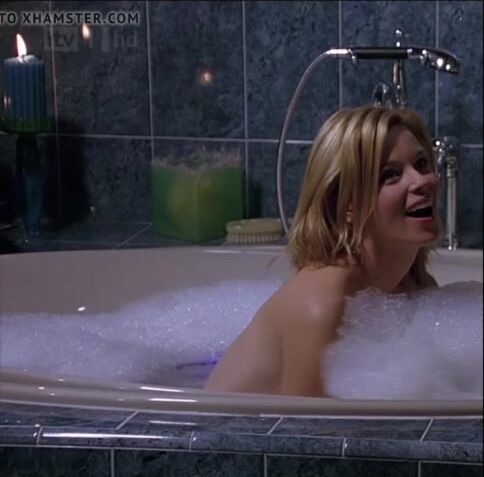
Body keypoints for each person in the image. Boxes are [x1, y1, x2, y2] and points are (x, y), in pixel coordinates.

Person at [204, 105, 440, 398]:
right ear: (347, 204)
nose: (422, 181)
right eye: (390, 175)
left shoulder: (414, 286)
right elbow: (301, 426)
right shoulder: (321, 307)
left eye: (421, 164)